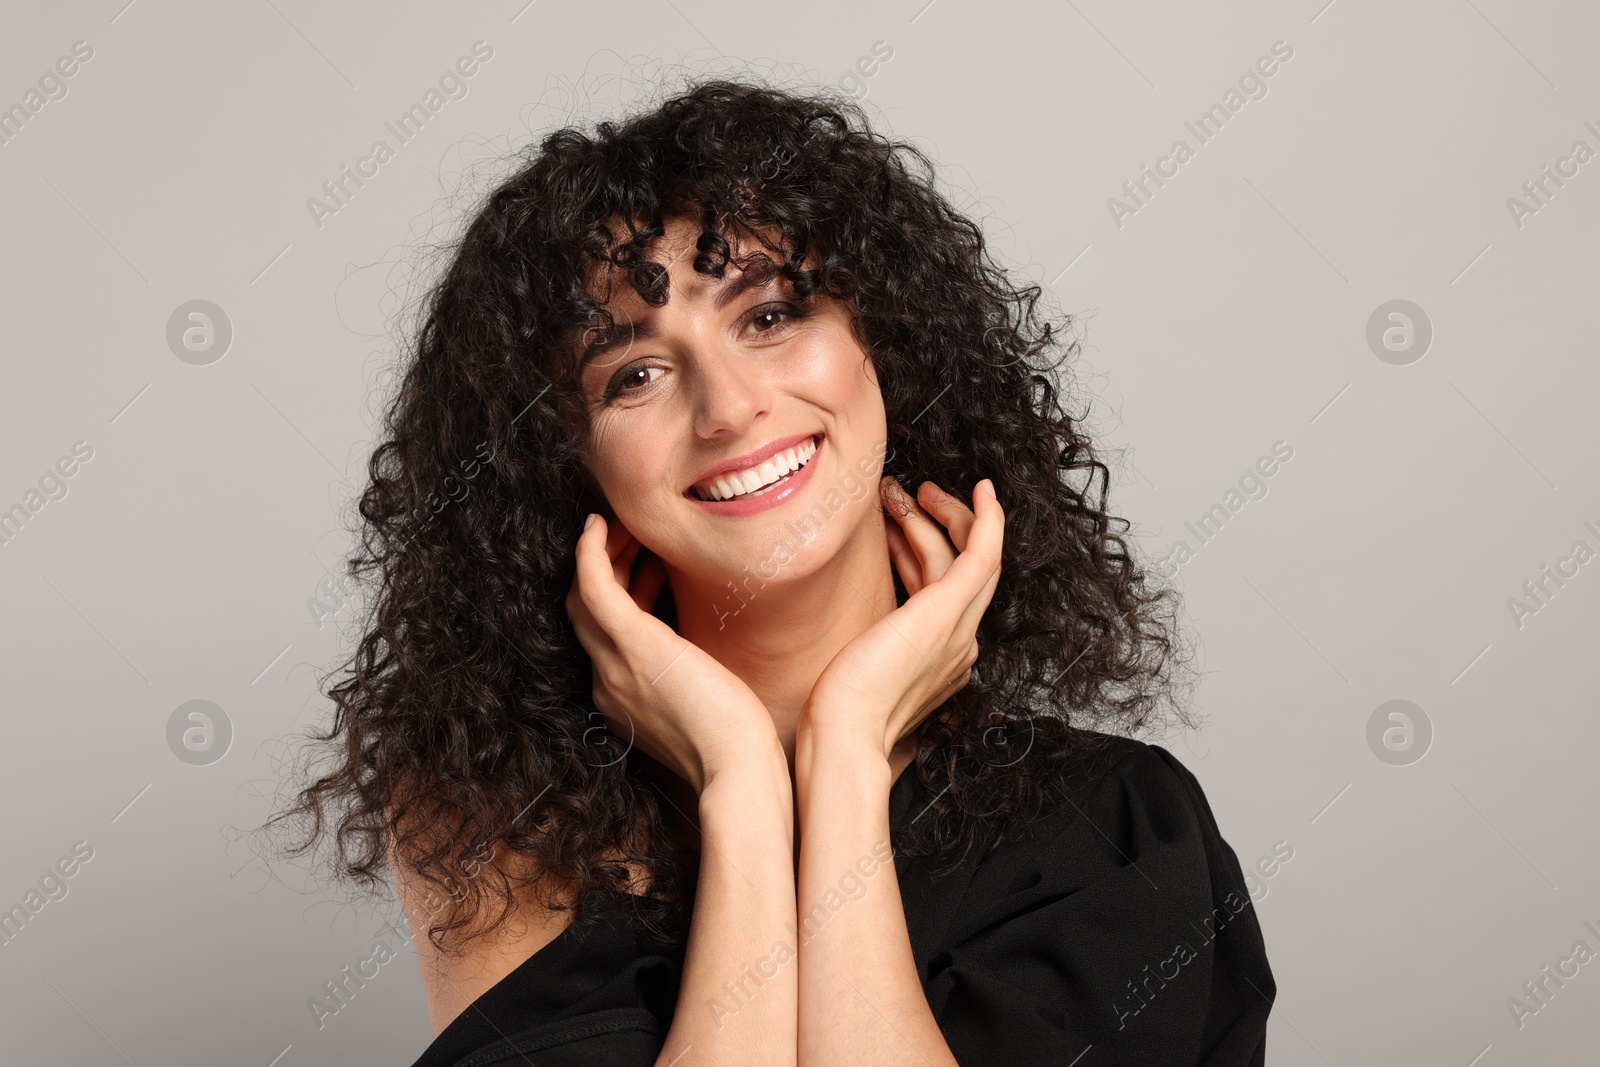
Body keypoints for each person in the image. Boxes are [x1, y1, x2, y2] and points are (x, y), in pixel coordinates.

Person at [268, 77, 1276, 1066]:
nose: (727, 407)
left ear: (888, 340)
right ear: (562, 465)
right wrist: (741, 780)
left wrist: (843, 750)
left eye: (768, 315)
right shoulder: (498, 836)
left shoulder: (1119, 827)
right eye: (634, 374)